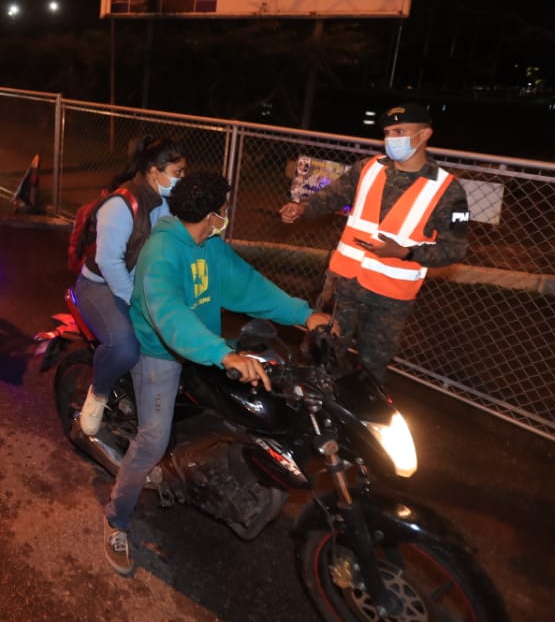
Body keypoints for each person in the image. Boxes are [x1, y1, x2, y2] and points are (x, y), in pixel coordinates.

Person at [103, 171, 330, 576]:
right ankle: (116, 520)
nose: (225, 215)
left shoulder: (209, 245)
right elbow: (171, 317)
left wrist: (304, 314)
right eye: (223, 210)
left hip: (203, 344)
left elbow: (249, 286)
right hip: (162, 352)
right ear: (212, 215)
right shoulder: (161, 253)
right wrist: (223, 354)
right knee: (152, 441)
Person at [278, 101, 470, 381]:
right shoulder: (367, 168)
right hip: (343, 286)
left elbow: (455, 249)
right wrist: (303, 208)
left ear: (425, 134)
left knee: (371, 367)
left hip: (389, 299)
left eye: (400, 132)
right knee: (322, 353)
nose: (392, 139)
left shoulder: (447, 189)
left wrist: (405, 252)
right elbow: (332, 196)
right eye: (388, 132)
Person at [76, 135, 187, 436]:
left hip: (138, 284)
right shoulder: (121, 204)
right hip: (99, 285)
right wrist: (137, 302)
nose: (181, 179)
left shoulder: (164, 203)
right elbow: (109, 263)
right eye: (177, 173)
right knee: (125, 346)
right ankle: (98, 393)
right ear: (155, 171)